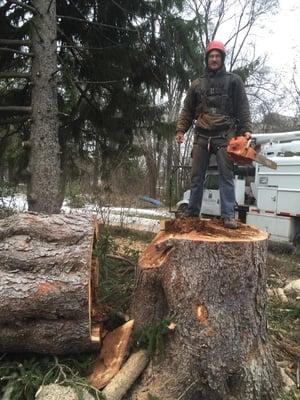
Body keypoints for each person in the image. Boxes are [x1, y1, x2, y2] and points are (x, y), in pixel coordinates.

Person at [175, 40, 252, 229]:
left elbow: (243, 107)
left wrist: (246, 129)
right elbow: (187, 110)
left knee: (226, 177)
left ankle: (228, 216)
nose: (214, 59)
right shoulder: (197, 84)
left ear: (222, 58)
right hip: (201, 135)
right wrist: (180, 130)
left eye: (218, 56)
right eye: (211, 56)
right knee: (196, 178)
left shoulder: (234, 81)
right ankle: (193, 213)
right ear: (207, 59)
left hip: (225, 135)